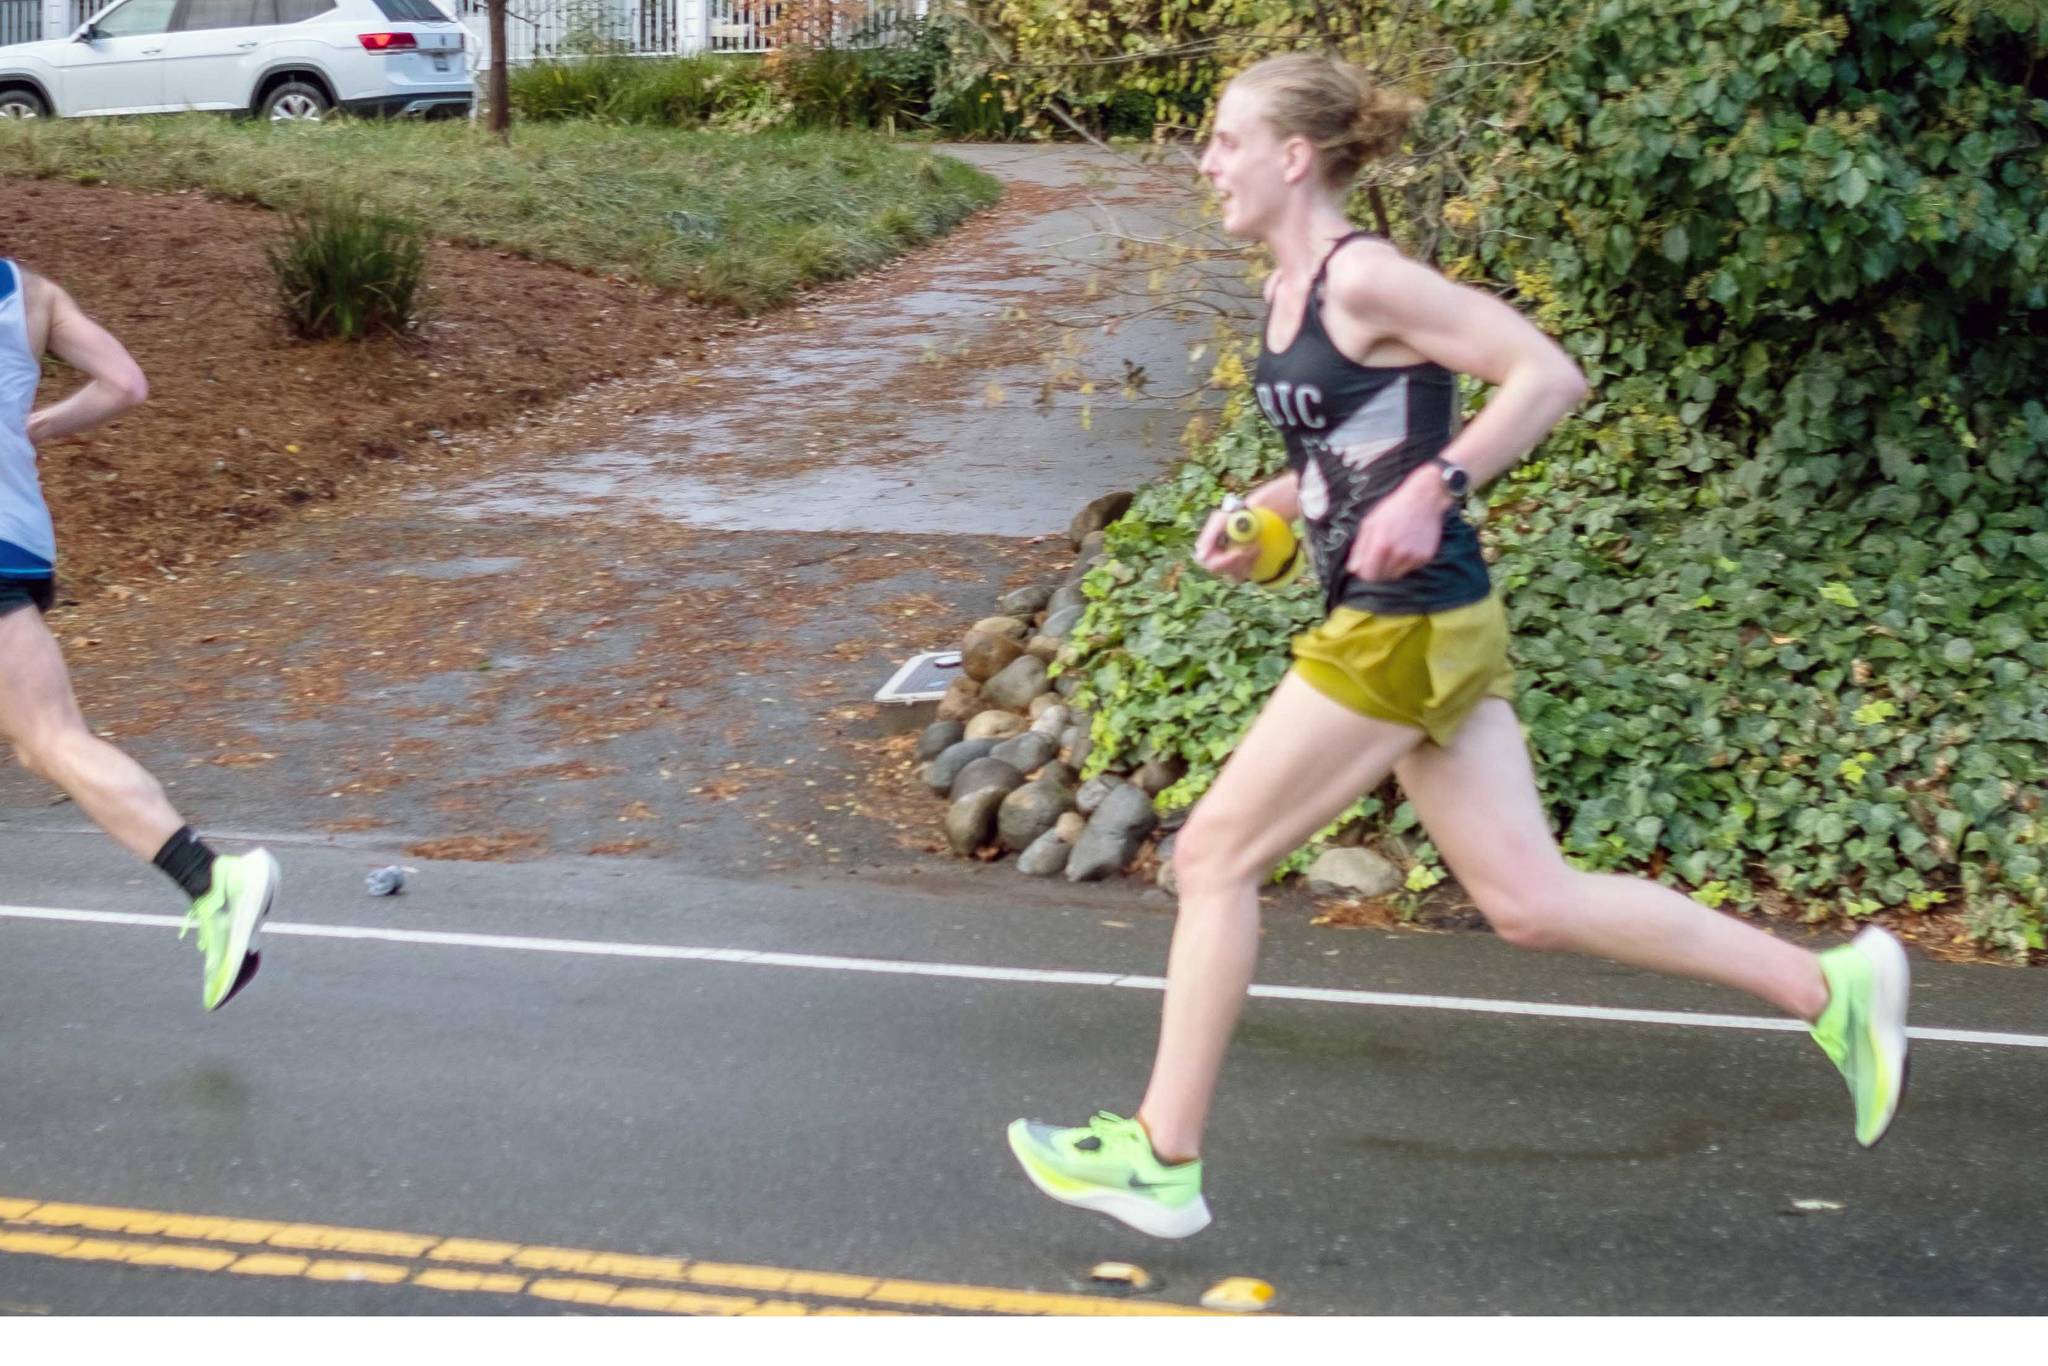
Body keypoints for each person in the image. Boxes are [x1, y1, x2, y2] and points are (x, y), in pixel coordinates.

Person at [1005, 53, 1909, 1239]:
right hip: (1423, 622)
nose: (1204, 161)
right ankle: (1825, 987)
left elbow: (1544, 373)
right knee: (1527, 900)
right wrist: (1266, 512)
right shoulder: (1287, 296)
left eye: (1225, 140)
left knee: (1214, 856)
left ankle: (1161, 1158)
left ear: (1291, 157)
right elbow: (1344, 460)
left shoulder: (1363, 275)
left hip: (1405, 623)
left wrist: (1436, 484)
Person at [0, 256, 277, 1010]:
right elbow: (124, 384)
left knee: (54, 739)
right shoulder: (34, 293)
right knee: (38, 741)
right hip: (19, 539)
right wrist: (37, 427)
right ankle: (209, 882)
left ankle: (214, 880)